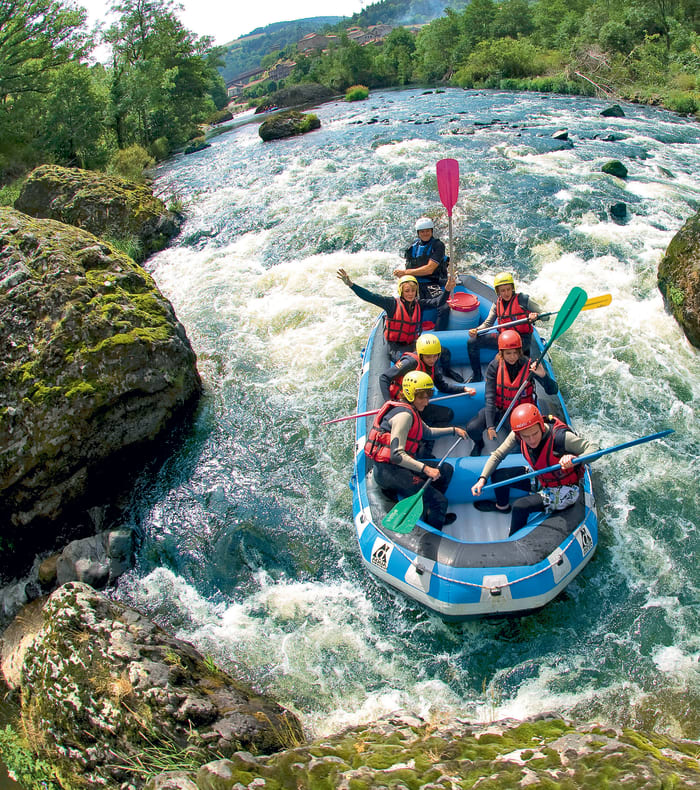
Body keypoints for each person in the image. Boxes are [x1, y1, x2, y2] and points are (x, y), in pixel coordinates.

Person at [471, 403, 598, 536]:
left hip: (565, 488)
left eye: (535, 433)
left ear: (541, 426)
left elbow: (595, 449)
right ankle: (502, 507)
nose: (531, 440)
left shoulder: (561, 438)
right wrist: (482, 479)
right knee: (498, 476)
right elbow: (497, 455)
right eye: (525, 436)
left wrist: (574, 459)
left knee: (520, 507)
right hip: (542, 477)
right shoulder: (517, 435)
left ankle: (513, 540)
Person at [365, 370, 467, 530]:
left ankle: (429, 508)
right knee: (440, 501)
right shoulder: (404, 416)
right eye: (422, 397)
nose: (426, 402)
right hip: (390, 472)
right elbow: (397, 455)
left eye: (428, 396)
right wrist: (426, 469)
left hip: (397, 467)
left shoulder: (410, 409)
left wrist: (454, 430)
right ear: (410, 395)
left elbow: (427, 432)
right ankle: (433, 526)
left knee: (445, 470)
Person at [466, 330, 558, 456]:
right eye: (508, 353)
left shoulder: (530, 366)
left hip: (520, 413)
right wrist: (490, 426)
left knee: (521, 443)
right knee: (473, 428)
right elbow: (490, 397)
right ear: (501, 352)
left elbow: (553, 391)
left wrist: (543, 376)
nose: (512, 356)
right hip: (499, 408)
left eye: (516, 353)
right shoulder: (495, 366)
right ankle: (479, 444)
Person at [337, 268, 455, 362]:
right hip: (396, 347)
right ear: (401, 291)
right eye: (407, 291)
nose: (410, 294)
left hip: (413, 343)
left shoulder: (419, 304)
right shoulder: (391, 304)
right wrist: (351, 285)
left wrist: (447, 290)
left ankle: (447, 373)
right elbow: (370, 296)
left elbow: (438, 302)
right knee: (412, 361)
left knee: (444, 353)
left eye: (413, 291)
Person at [379, 333, 476, 430]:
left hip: (418, 399)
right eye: (428, 357)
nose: (432, 360)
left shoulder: (433, 364)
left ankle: (426, 435)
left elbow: (442, 386)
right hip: (403, 401)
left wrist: (464, 388)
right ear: (421, 355)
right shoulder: (409, 362)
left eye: (435, 356)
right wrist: (389, 402)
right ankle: (423, 437)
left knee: (447, 414)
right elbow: (384, 377)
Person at [466, 272, 545, 382]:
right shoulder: (496, 304)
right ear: (498, 291)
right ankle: (477, 375)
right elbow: (488, 324)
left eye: (508, 289)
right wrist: (477, 330)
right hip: (504, 338)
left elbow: (545, 316)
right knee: (472, 342)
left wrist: (536, 316)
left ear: (512, 288)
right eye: (502, 290)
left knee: (507, 358)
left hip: (522, 340)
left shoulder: (523, 300)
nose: (506, 293)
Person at [393, 217, 451, 330]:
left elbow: (430, 269)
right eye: (422, 231)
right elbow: (409, 264)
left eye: (428, 231)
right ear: (418, 233)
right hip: (415, 283)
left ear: (432, 231)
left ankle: (439, 334)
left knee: (444, 307)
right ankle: (413, 333)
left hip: (432, 282)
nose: (425, 233)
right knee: (410, 305)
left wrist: (405, 272)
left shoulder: (438, 246)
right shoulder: (413, 246)